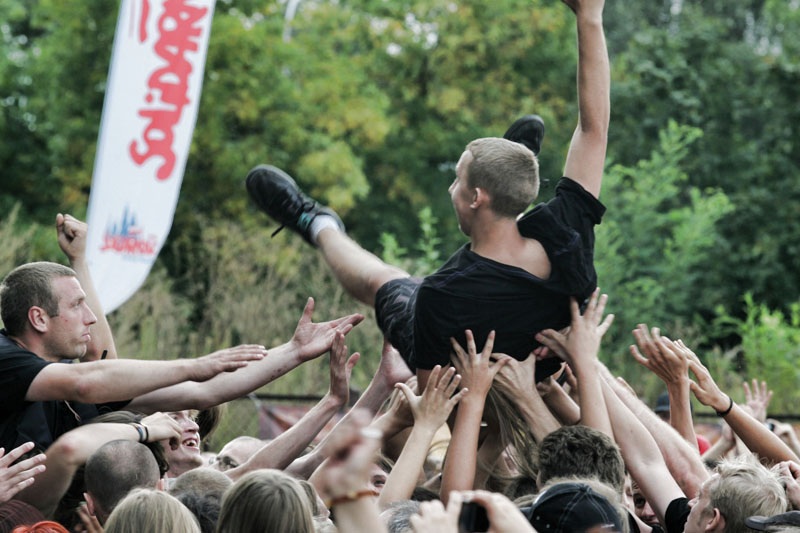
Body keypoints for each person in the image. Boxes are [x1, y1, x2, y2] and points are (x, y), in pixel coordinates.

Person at [245, 0, 609, 391]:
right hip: (537, 352)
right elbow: (593, 131)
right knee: (507, 234)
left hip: (473, 363)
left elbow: (433, 399)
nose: (450, 187)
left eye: (457, 179)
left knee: (383, 278)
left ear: (476, 197)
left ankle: (315, 220)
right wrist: (590, 17)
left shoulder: (442, 294)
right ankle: (509, 164)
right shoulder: (567, 234)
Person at [0, 215, 363, 453]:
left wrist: (294, 352)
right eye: (77, 305)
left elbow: (204, 391)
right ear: (39, 319)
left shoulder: (72, 382)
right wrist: (195, 364)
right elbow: (88, 378)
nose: (92, 318)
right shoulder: (6, 358)